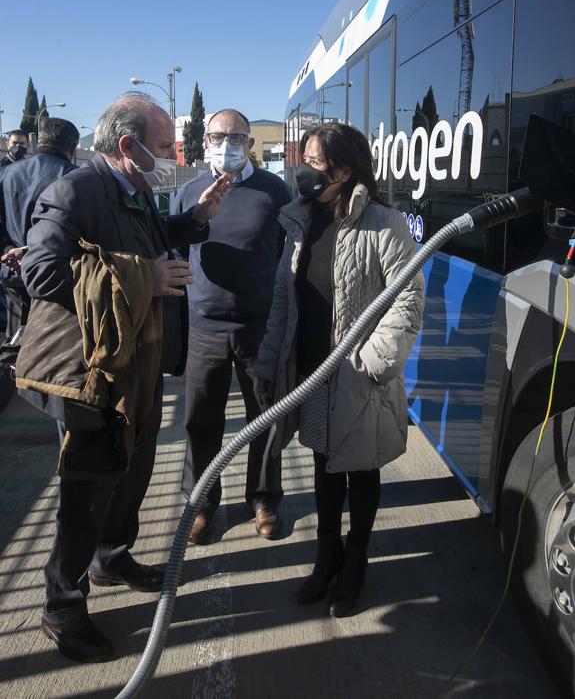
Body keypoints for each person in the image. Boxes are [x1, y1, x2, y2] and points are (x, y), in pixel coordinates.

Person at [18, 94, 228, 663]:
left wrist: (194, 221)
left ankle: (111, 556)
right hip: (90, 374)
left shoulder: (134, 191)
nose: (171, 156)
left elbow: (148, 243)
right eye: (163, 148)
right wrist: (145, 277)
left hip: (137, 365)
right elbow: (42, 273)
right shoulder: (75, 192)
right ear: (128, 147)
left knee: (133, 468)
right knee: (87, 487)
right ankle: (62, 608)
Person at [255, 123, 424, 617]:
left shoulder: (383, 223)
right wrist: (270, 363)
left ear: (344, 171)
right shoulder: (300, 220)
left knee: (361, 469)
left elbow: (408, 302)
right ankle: (325, 555)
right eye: (303, 156)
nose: (302, 167)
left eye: (314, 160)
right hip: (310, 371)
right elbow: (283, 302)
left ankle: (355, 561)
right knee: (324, 464)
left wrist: (369, 367)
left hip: (358, 377)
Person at [172, 108, 291, 543]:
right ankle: (202, 503)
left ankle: (263, 499)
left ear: (251, 144)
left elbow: (287, 254)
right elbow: (177, 253)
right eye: (219, 136)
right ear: (204, 142)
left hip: (258, 326)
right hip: (204, 326)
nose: (228, 143)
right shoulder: (187, 194)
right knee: (201, 420)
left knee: (264, 417)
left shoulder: (273, 190)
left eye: (237, 136)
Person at [0, 118, 79, 338]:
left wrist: (9, 252)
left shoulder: (6, 174)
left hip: (14, 273)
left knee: (15, 340)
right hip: (54, 278)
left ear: (37, 143)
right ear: (72, 148)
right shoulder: (75, 178)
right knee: (49, 344)